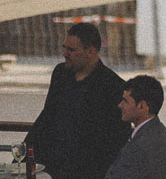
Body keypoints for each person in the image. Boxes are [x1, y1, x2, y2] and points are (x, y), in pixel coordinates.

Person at [25, 23, 131, 179]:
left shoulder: (114, 86)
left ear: (91, 51)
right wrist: (24, 156)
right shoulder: (60, 74)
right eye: (64, 48)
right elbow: (47, 118)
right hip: (50, 169)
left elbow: (115, 141)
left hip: (87, 172)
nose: (64, 54)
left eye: (71, 50)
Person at [104, 75, 166, 179]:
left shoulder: (140, 146)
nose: (120, 105)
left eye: (125, 101)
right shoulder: (159, 132)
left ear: (142, 106)